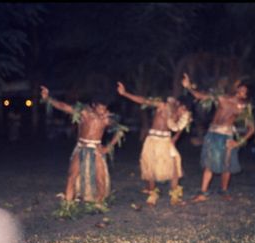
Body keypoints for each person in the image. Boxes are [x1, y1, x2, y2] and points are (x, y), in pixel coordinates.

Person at [40, 86, 127, 216]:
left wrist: (108, 147)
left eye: (104, 109)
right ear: (93, 106)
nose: (102, 111)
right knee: (72, 176)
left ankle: (99, 203)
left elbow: (120, 130)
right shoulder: (84, 113)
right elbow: (64, 106)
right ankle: (68, 206)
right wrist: (48, 99)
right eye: (100, 108)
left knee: (100, 178)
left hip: (96, 149)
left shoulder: (107, 118)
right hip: (81, 148)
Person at [181, 73, 255, 201]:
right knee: (209, 163)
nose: (241, 92)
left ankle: (224, 190)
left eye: (245, 92)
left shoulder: (243, 108)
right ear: (237, 89)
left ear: (246, 95)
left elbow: (252, 128)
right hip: (212, 134)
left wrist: (239, 142)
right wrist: (188, 87)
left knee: (226, 164)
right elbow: (201, 96)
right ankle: (202, 193)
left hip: (227, 136)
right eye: (241, 89)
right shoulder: (222, 98)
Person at [117, 82, 192, 206]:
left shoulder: (182, 115)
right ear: (178, 104)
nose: (183, 111)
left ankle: (175, 196)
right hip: (153, 139)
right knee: (151, 167)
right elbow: (144, 101)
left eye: (185, 110)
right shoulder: (162, 106)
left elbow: (179, 129)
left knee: (175, 166)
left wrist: (175, 139)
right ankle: (152, 195)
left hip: (166, 141)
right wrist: (125, 93)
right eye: (182, 108)